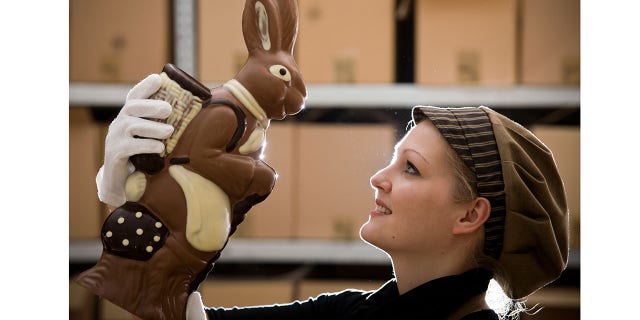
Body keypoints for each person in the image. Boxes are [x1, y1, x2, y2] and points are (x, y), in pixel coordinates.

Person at [96, 75, 569, 320]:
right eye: (393, 159)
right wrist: (143, 204)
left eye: (411, 169)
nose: (378, 178)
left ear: (471, 213)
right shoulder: (347, 315)